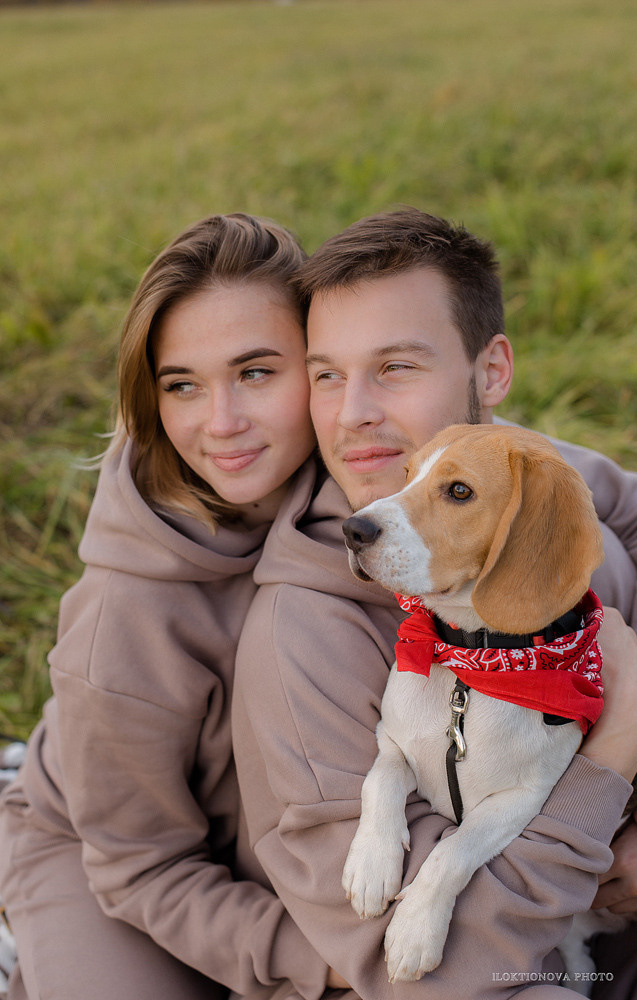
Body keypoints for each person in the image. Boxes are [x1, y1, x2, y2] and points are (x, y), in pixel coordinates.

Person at [231, 209, 637, 999]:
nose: (353, 410)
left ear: (491, 373)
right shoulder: (299, 640)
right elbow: (446, 966)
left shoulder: (515, 468)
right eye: (326, 374)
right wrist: (614, 759)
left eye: (394, 366)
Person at [0, 212, 342, 1000]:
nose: (219, 424)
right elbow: (136, 864)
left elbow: (635, 511)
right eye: (181, 385)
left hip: (252, 841)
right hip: (103, 846)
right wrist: (312, 959)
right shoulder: (123, 614)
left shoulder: (371, 459)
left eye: (256, 372)